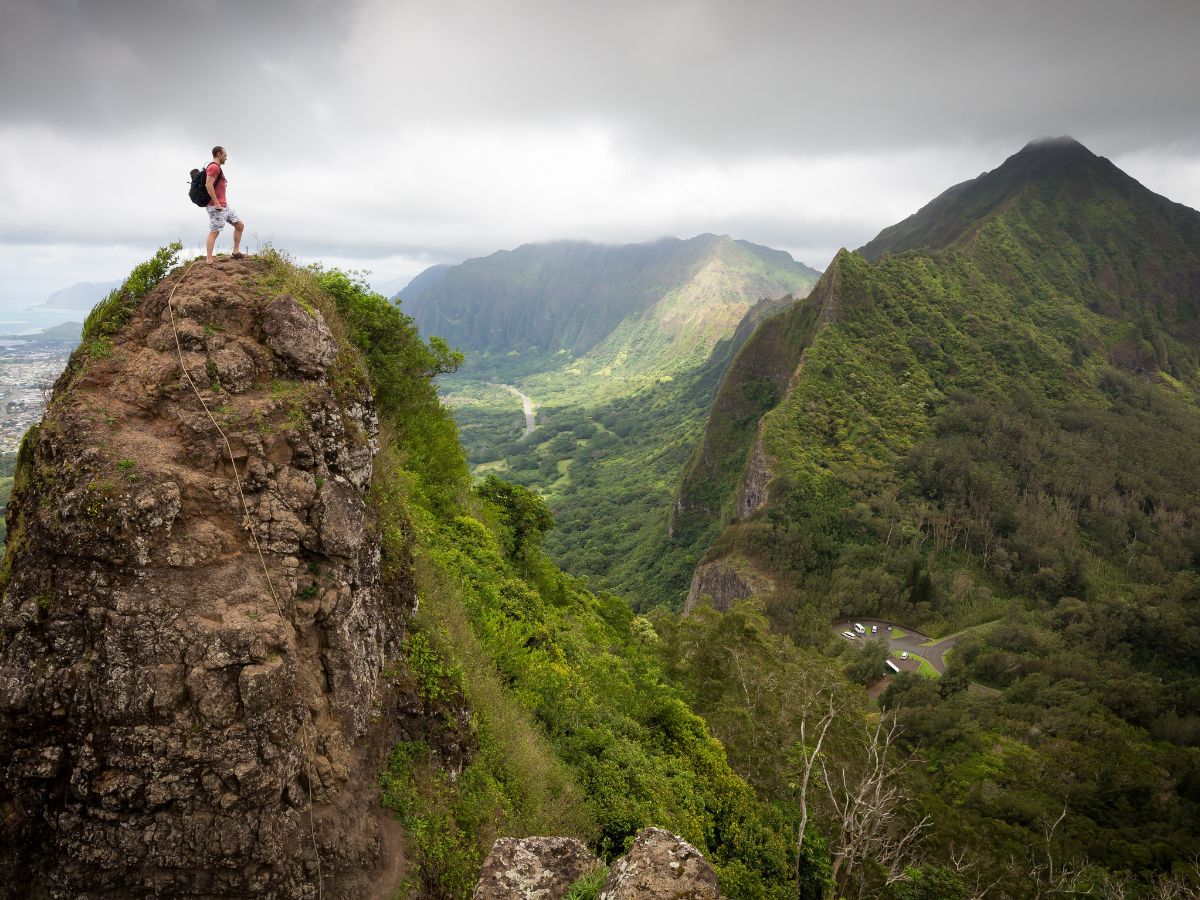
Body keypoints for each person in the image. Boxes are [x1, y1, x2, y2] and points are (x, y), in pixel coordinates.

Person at [204, 146, 246, 263]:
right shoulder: (213, 167)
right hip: (216, 206)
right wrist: (216, 202)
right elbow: (208, 184)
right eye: (225, 155)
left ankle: (236, 252)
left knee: (239, 225)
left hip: (224, 205)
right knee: (214, 231)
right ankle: (209, 259)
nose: (226, 158)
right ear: (218, 154)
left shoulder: (217, 168)